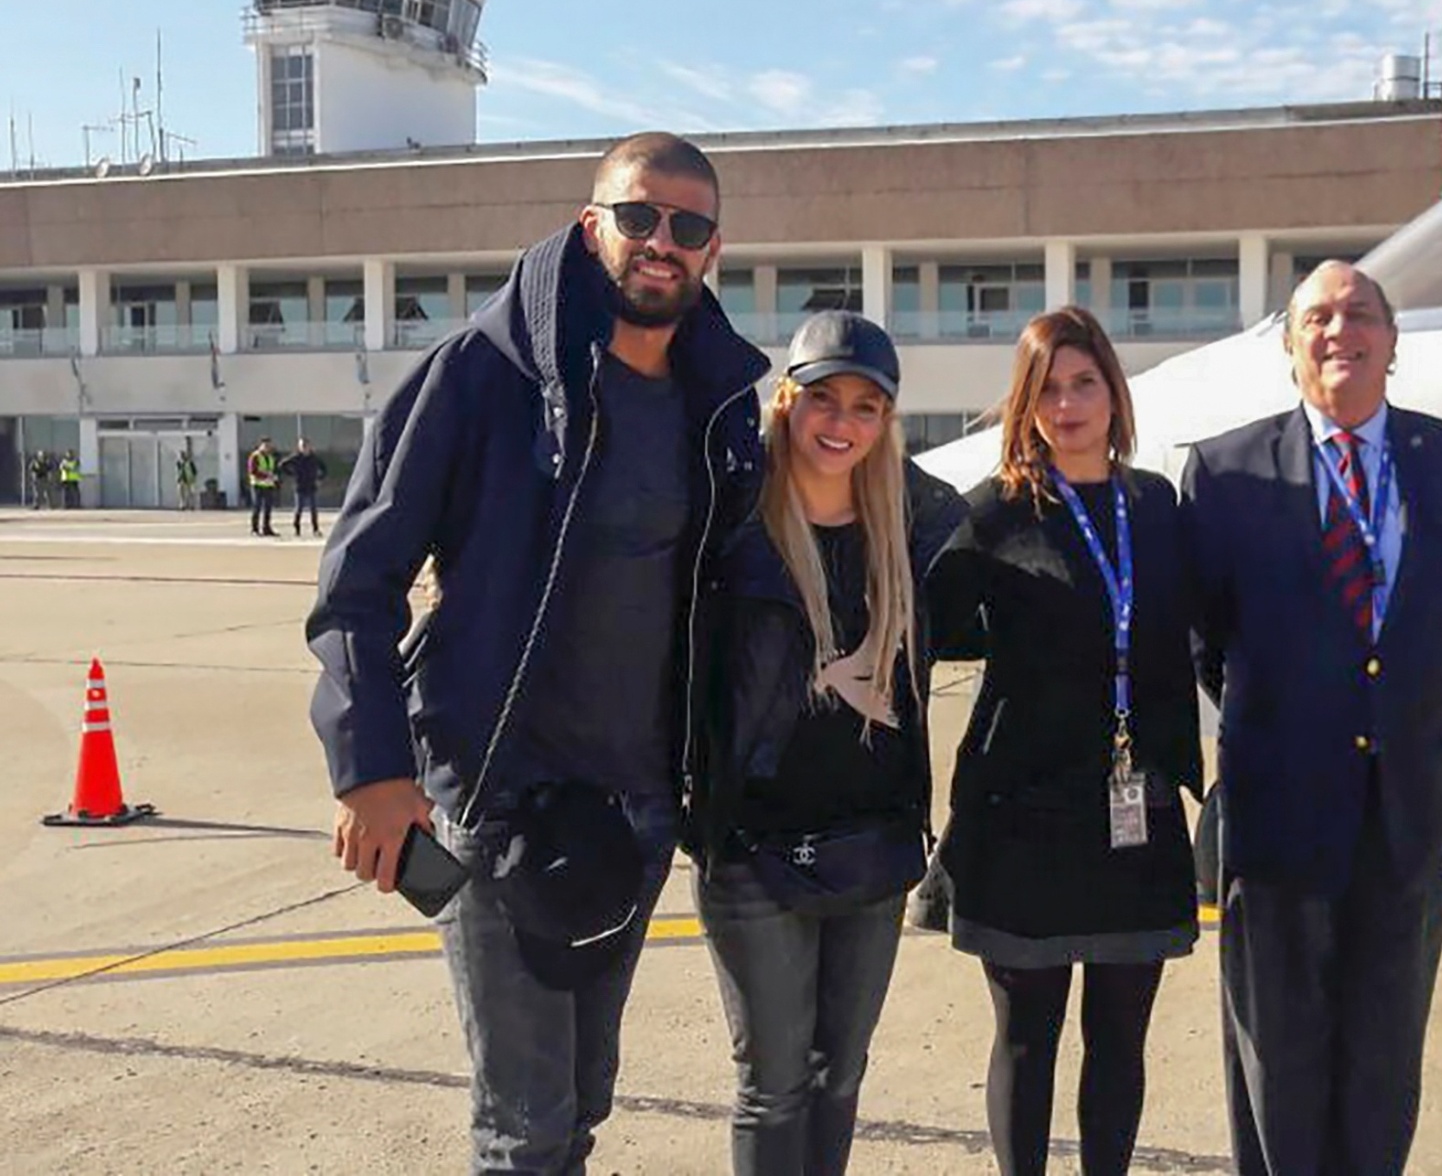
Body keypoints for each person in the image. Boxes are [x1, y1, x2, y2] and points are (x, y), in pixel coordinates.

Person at [307, 131, 767, 1174]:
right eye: (639, 215)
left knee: (581, 1106)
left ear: (713, 251)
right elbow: (358, 579)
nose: (662, 241)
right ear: (588, 222)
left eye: (687, 227)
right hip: (496, 798)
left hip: (639, 810)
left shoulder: (719, 403)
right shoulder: (482, 374)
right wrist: (371, 768)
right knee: (526, 1129)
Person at [1181, 262, 1442, 1176]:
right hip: (1277, 810)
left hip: (1407, 807)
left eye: (1360, 314)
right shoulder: (1226, 471)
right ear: (1289, 348)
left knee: (1385, 1051)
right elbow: (1210, 642)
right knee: (1276, 1052)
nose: (1339, 330)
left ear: (1392, 344)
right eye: (1316, 317)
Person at [925, 306, 1202, 1176]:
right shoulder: (995, 514)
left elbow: (1197, 634)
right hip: (1024, 819)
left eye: (1085, 383)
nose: (1068, 403)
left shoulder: (1155, 506)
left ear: (1115, 394)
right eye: (1047, 388)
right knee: (1028, 1038)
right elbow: (919, 628)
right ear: (1025, 405)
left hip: (1135, 813)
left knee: (1120, 1037)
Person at [688, 311, 964, 1176]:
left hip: (872, 846)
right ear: (785, 402)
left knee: (839, 1074)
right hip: (750, 847)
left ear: (888, 422)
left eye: (866, 406)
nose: (840, 423)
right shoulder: (727, 522)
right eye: (822, 400)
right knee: (773, 1082)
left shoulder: (916, 527)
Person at [278, 437, 328, 535]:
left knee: (313, 509)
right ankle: (297, 528)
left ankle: (315, 529)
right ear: (299, 447)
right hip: (300, 486)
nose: (304, 448)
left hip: (311, 486)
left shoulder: (314, 458)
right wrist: (291, 474)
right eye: (302, 446)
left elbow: (324, 468)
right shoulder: (296, 457)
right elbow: (282, 465)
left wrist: (319, 478)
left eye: (306, 446)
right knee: (299, 509)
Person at [246, 437, 279, 536]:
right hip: (257, 485)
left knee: (268, 508)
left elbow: (273, 470)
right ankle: (254, 529)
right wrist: (266, 476)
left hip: (269, 486)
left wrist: (275, 479)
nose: (268, 447)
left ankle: (267, 528)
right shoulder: (255, 456)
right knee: (257, 507)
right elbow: (253, 471)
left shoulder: (271, 457)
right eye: (266, 445)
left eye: (269, 445)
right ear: (261, 445)